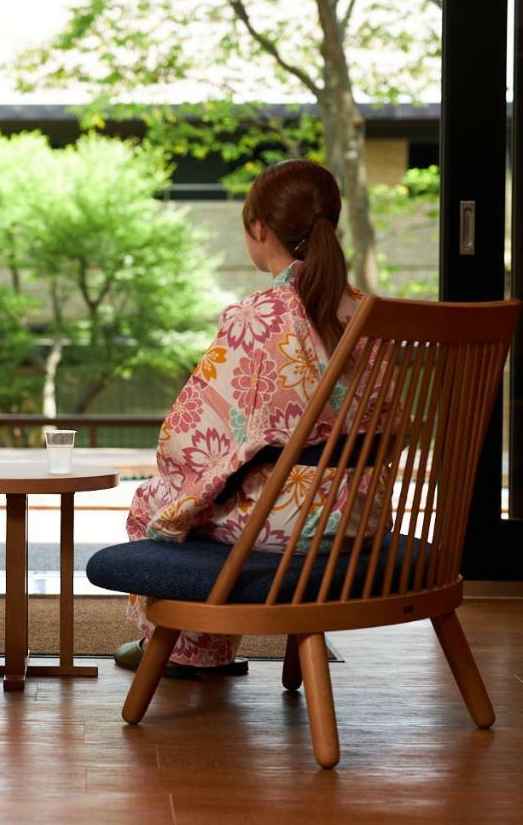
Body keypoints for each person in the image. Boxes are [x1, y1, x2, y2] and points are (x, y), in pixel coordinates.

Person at [116, 159, 388, 678]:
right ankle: (222, 648)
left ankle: (187, 651)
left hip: (291, 527)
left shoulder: (258, 316)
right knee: (218, 489)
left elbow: (186, 437)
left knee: (159, 502)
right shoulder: (369, 314)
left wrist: (194, 481)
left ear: (259, 229)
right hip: (362, 515)